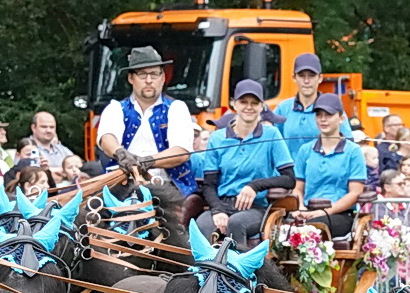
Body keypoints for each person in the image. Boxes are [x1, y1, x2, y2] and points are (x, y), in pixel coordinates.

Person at [195, 79, 296, 247]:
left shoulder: (271, 135)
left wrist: (254, 186)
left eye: (254, 103)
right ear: (234, 104)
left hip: (255, 208)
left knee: (236, 223)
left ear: (262, 106)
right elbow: (209, 184)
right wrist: (218, 210)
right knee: (202, 225)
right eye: (243, 102)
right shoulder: (218, 138)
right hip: (223, 203)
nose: (249, 107)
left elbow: (289, 179)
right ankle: (202, 272)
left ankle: (240, 272)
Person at [96, 44, 196, 192]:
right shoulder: (115, 108)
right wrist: (121, 154)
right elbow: (107, 139)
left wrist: (148, 161)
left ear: (163, 78)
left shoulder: (177, 108)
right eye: (142, 74)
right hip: (123, 184)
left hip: (169, 187)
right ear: (131, 78)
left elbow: (181, 152)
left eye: (154, 74)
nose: (149, 80)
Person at [288, 93, 366, 239]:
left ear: (341, 118)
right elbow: (298, 189)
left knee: (311, 228)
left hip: (339, 214)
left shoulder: (353, 151)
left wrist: (324, 212)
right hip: (308, 211)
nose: (323, 119)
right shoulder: (305, 150)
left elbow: (354, 193)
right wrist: (301, 208)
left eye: (329, 115)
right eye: (319, 115)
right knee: (282, 229)